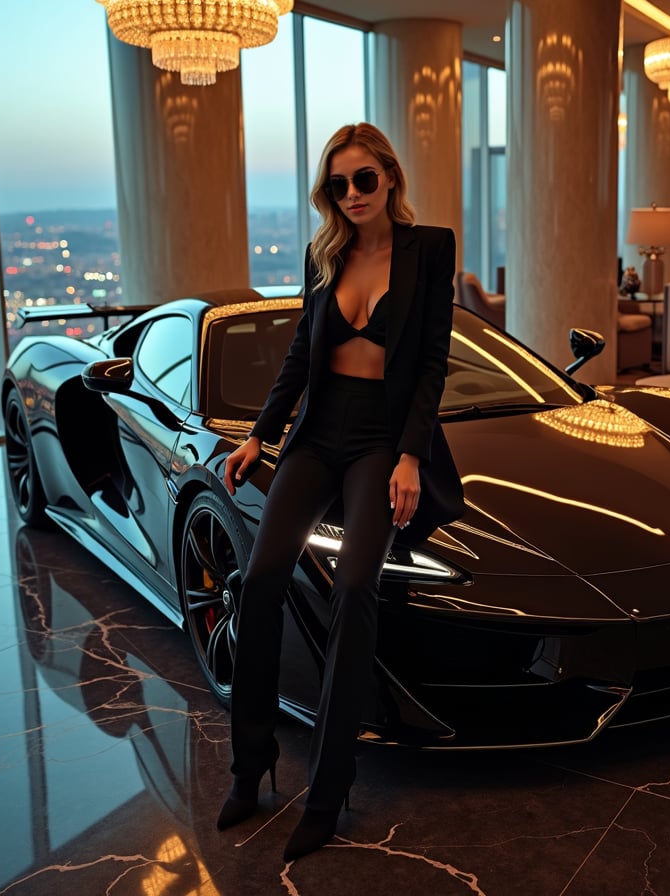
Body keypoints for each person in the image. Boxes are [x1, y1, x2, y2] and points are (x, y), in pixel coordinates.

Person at [217, 122, 464, 862]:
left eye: (363, 179)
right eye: (337, 184)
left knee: (356, 588)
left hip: (381, 441)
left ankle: (329, 788)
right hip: (318, 432)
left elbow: (430, 363)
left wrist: (411, 457)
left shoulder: (430, 250)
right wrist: (260, 432)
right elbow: (302, 352)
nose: (350, 195)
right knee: (258, 581)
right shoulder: (325, 254)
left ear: (389, 177)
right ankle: (251, 761)